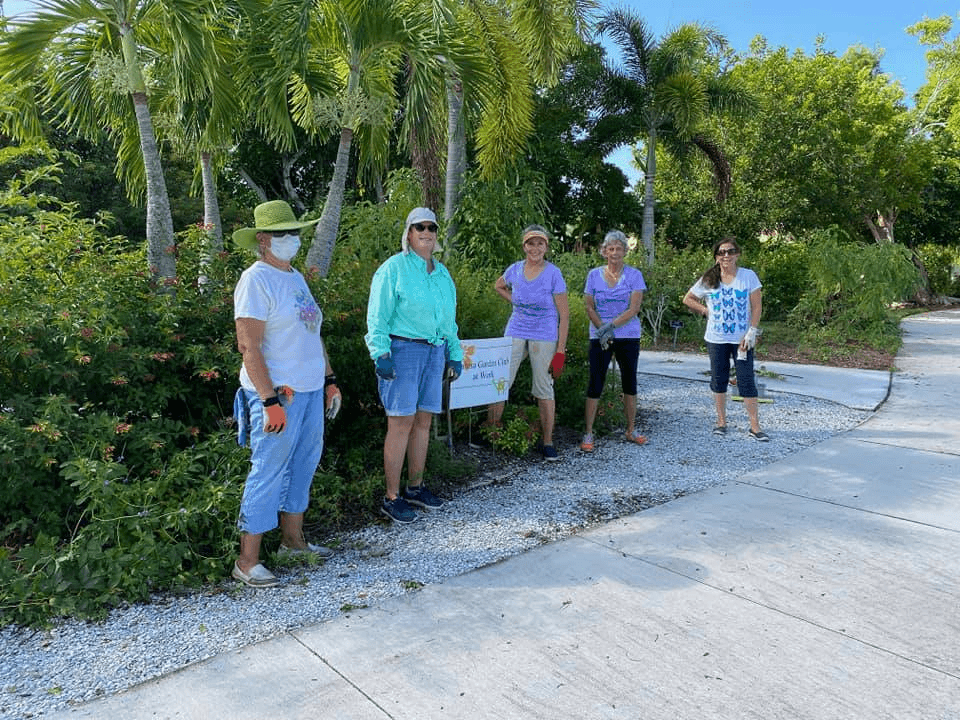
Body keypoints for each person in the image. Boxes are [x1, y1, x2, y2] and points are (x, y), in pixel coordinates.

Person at [231, 200, 343, 588]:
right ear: (262, 239)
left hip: (311, 391)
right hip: (280, 395)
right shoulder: (255, 280)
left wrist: (330, 379)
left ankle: (293, 542)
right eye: (282, 233)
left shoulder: (294, 277)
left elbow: (312, 333)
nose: (290, 240)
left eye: (294, 232)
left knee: (304, 465)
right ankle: (248, 561)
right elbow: (250, 347)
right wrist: (268, 401)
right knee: (268, 470)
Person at [365, 207, 463, 524]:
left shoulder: (442, 273)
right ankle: (391, 497)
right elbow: (377, 316)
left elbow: (449, 320)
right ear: (408, 233)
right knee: (400, 423)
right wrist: (381, 353)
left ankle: (415, 487)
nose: (426, 232)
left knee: (424, 423)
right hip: (403, 350)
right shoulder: (393, 268)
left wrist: (455, 353)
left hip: (434, 353)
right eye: (419, 227)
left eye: (431, 227)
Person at [486, 224, 569, 460]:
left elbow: (564, 315)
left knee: (543, 385)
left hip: (544, 332)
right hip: (517, 327)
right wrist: (514, 300)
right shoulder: (514, 269)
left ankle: (547, 442)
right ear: (524, 246)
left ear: (546, 246)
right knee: (501, 378)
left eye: (539, 243)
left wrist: (560, 352)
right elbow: (498, 285)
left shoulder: (553, 273)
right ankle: (492, 434)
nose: (535, 248)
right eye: (530, 243)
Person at [682, 237, 768, 441]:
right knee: (718, 379)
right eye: (722, 253)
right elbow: (688, 299)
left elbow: (756, 306)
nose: (726, 256)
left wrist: (752, 332)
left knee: (746, 379)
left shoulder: (748, 276)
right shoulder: (709, 278)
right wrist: (705, 310)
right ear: (716, 257)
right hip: (716, 338)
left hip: (742, 339)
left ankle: (754, 426)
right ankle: (721, 422)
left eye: (730, 251)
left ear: (737, 254)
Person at [580, 230, 647, 452]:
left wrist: (611, 326)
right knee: (595, 381)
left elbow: (634, 308)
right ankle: (588, 432)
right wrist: (601, 329)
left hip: (627, 335)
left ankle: (630, 429)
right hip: (599, 336)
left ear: (625, 251)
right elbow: (589, 305)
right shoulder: (593, 275)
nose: (615, 252)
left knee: (629, 381)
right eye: (611, 249)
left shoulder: (634, 275)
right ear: (604, 251)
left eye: (619, 248)